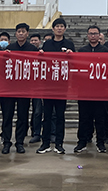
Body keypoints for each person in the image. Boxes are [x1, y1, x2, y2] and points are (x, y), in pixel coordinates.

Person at [37, 17, 74, 155]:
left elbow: (74, 63)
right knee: (46, 115)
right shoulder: (47, 44)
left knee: (60, 116)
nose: (59, 28)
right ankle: (45, 143)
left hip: (62, 85)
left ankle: (59, 143)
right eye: (57, 26)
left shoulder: (69, 44)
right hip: (48, 85)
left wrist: (72, 55)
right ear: (53, 29)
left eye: (61, 26)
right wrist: (40, 54)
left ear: (65, 29)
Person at [2, 23, 39, 154]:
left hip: (25, 88)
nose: (21, 33)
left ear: (27, 34)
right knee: (7, 116)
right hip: (10, 88)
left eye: (23, 31)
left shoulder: (32, 49)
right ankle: (6, 142)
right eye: (19, 31)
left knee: (23, 117)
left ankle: (19, 142)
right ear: (16, 34)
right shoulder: (9, 49)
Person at [74, 25, 108, 153]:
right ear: (87, 36)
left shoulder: (105, 51)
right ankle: (82, 141)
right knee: (84, 118)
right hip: (84, 91)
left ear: (99, 35)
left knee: (100, 118)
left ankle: (101, 142)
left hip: (100, 91)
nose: (93, 36)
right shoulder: (82, 51)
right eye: (90, 34)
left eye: (95, 33)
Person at [28, 32, 43, 144]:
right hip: (34, 87)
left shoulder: (43, 53)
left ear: (40, 42)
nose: (34, 42)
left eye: (36, 40)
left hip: (46, 86)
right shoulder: (28, 53)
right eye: (32, 40)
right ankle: (35, 133)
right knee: (37, 111)